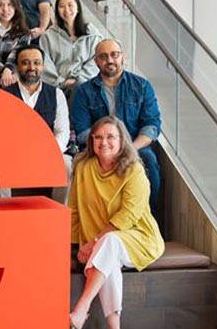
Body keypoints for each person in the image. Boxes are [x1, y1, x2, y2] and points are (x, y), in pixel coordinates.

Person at [68, 116, 165, 329]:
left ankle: (82, 306)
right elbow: (74, 210)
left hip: (138, 237)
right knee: (108, 256)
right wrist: (72, 246)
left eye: (111, 136)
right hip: (101, 244)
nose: (104, 142)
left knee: (109, 242)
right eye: (98, 137)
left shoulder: (134, 170)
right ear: (91, 141)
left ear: (122, 140)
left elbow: (128, 216)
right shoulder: (83, 167)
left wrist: (92, 243)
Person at [70, 39, 163, 212]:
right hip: (98, 148)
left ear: (123, 57)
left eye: (114, 55)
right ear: (96, 61)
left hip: (135, 145)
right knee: (80, 165)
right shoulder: (84, 91)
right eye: (103, 57)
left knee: (149, 162)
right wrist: (106, 146)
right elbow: (82, 130)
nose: (110, 60)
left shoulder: (142, 86)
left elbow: (152, 125)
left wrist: (130, 148)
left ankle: (148, 221)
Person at [0, 45, 73, 203]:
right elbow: (1, 133)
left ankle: (59, 210)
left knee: (67, 164)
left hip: (48, 153)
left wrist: (47, 152)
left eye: (36, 63)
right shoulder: (4, 95)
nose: (32, 67)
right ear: (17, 67)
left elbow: (62, 132)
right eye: (25, 63)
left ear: (43, 66)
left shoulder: (56, 94)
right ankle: (2, 211)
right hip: (13, 154)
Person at [40, 0, 101, 93]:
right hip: (57, 88)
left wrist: (79, 79)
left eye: (70, 5)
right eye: (62, 6)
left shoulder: (92, 34)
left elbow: (96, 60)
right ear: (57, 11)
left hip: (86, 85)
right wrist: (61, 82)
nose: (66, 10)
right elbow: (45, 63)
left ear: (78, 8)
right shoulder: (48, 36)